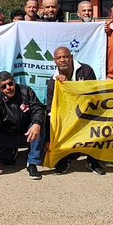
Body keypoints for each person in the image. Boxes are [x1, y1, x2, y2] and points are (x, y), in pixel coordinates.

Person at [46, 46, 102, 176]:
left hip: (88, 111)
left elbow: (93, 94)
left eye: (65, 56)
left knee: (97, 126)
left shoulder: (86, 70)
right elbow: (51, 108)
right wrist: (49, 137)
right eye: (59, 58)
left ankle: (93, 161)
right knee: (58, 125)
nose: (63, 60)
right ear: (55, 61)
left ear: (71, 57)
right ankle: (65, 159)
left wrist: (69, 85)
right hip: (68, 116)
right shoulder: (53, 82)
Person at [0, 72, 45, 181]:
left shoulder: (26, 91)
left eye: (10, 84)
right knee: (8, 162)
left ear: (14, 82)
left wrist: (37, 123)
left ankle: (32, 163)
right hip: (9, 136)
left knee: (39, 125)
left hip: (27, 133)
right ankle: (11, 151)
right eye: (4, 86)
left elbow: (38, 108)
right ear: (0, 89)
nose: (8, 88)